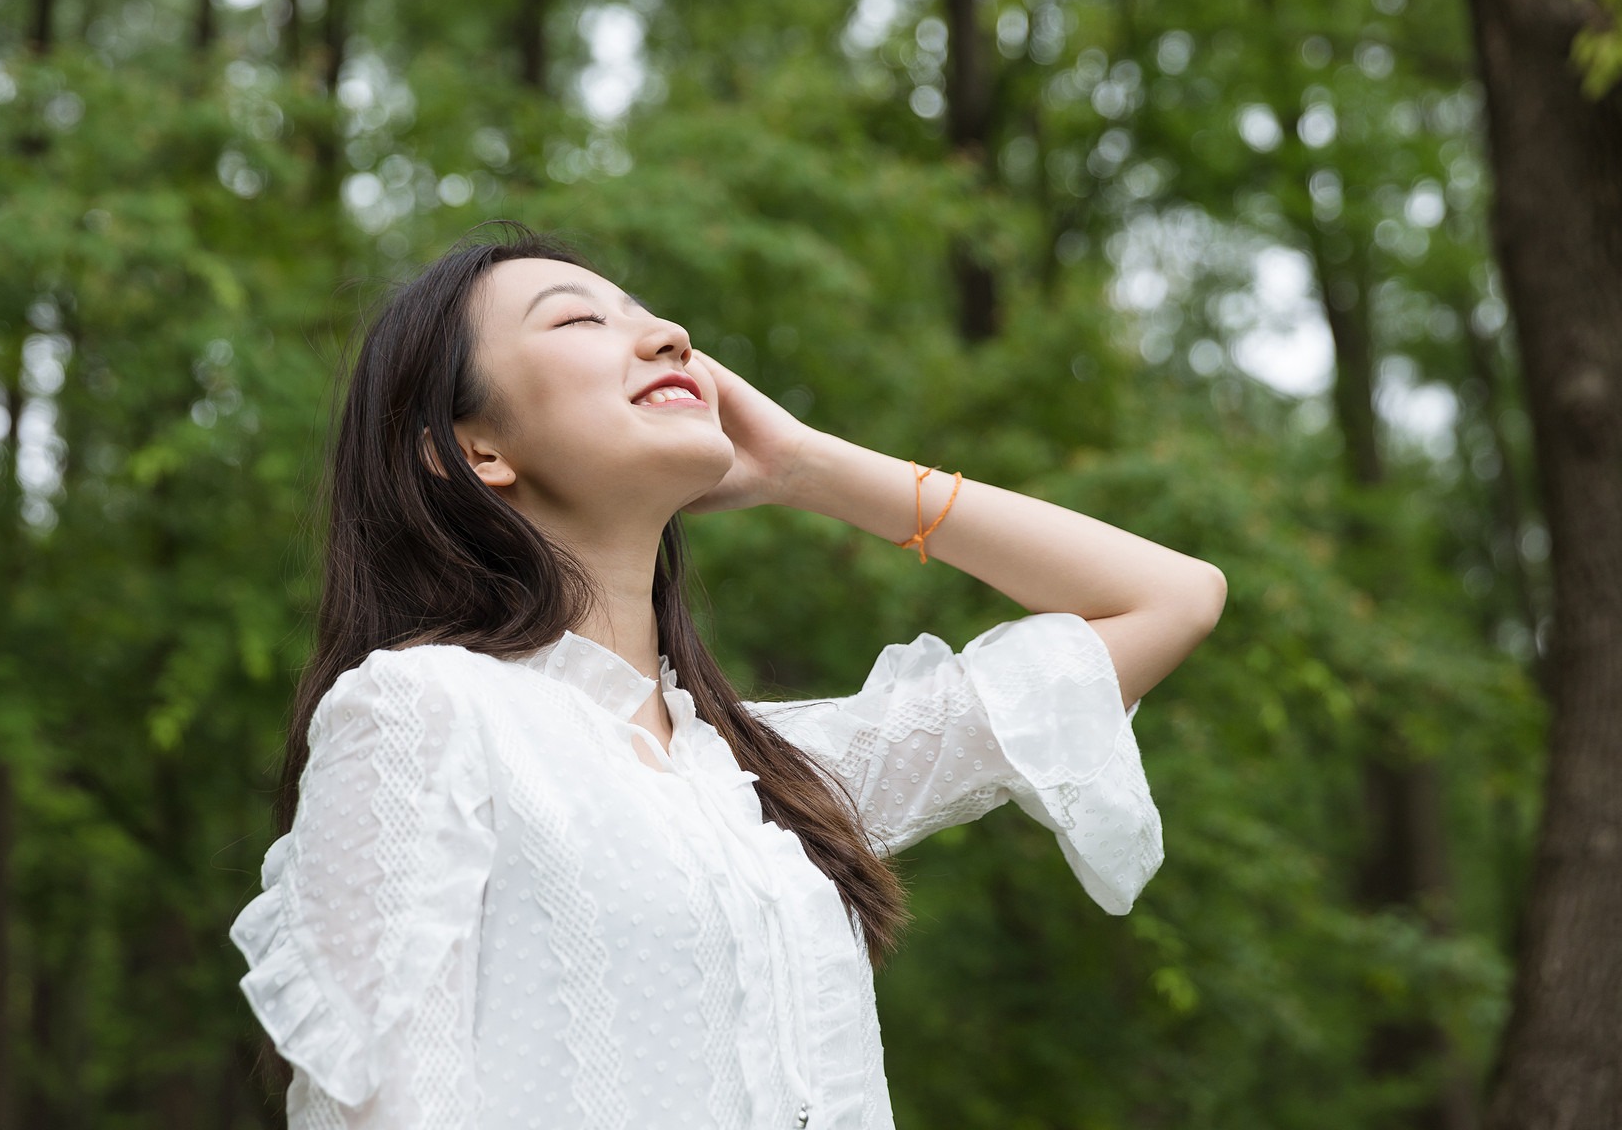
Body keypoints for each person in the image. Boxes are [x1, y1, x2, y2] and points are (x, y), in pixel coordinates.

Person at [229, 222, 1226, 1129]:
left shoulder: (773, 778)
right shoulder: (422, 709)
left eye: (652, 316)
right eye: (579, 317)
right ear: (471, 450)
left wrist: (807, 464)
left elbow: (1171, 597)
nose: (667, 334)